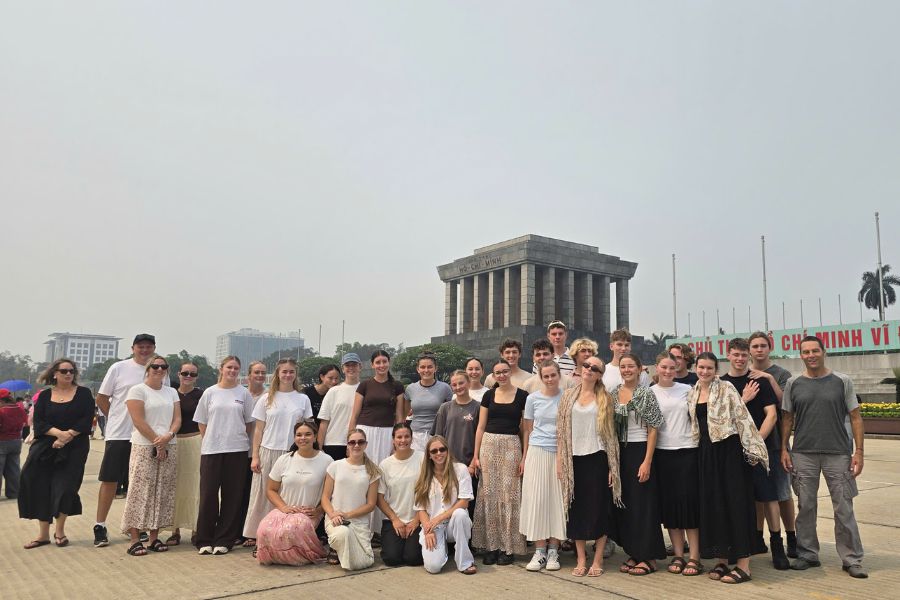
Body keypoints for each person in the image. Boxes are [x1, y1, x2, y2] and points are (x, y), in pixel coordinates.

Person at [781, 336, 867, 578]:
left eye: (815, 350)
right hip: (803, 454)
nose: (811, 355)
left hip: (838, 453)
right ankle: (808, 553)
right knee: (806, 505)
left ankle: (852, 559)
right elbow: (787, 418)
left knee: (844, 507)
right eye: (806, 352)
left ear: (824, 352)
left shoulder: (842, 381)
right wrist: (783, 448)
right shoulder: (793, 383)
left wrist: (858, 451)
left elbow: (856, 417)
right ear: (801, 355)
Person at [689, 352, 768, 584]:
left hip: (729, 452)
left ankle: (744, 565)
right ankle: (721, 558)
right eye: (701, 367)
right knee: (714, 505)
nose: (704, 372)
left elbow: (743, 419)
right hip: (706, 454)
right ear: (695, 368)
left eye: (709, 368)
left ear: (716, 369)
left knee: (735, 504)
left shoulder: (727, 388)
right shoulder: (693, 392)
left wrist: (753, 450)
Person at [720, 338, 789, 569]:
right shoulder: (722, 385)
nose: (740, 359)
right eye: (735, 354)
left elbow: (771, 414)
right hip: (732, 451)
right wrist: (744, 400)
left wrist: (755, 440)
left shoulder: (759, 380)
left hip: (760, 448)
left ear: (748, 357)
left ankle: (777, 546)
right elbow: (720, 419)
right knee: (737, 498)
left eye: (743, 355)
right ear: (728, 355)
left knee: (768, 497)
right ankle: (738, 544)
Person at [93, 333, 165, 548]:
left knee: (140, 483)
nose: (144, 350)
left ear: (154, 348)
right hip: (120, 434)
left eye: (148, 346)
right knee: (110, 480)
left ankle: (136, 526)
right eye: (140, 346)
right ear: (133, 348)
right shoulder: (119, 368)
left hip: (146, 438)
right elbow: (102, 398)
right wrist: (115, 417)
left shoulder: (160, 371)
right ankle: (100, 525)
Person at [556, 356, 622, 578]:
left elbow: (611, 435)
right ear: (580, 368)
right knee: (577, 511)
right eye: (586, 365)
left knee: (599, 509)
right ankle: (581, 558)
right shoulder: (568, 396)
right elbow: (561, 432)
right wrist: (560, 461)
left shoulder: (605, 398)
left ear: (600, 375)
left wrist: (613, 467)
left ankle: (597, 558)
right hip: (573, 459)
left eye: (595, 368)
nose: (589, 370)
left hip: (598, 459)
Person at [18, 360, 94, 549]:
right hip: (45, 447)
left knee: (65, 488)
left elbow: (86, 419)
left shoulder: (84, 394)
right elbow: (39, 422)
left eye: (71, 371)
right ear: (54, 374)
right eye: (64, 371)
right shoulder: (44, 396)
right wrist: (58, 434)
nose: (68, 374)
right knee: (39, 486)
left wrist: (68, 436)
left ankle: (60, 531)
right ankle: (43, 534)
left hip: (75, 447)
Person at [243, 358, 313, 548]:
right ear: (278, 374)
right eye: (284, 372)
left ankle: (284, 534)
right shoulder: (267, 398)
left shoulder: (302, 399)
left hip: (293, 453)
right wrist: (255, 456)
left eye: (291, 372)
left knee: (287, 496)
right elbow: (258, 430)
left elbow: (307, 427)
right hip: (268, 450)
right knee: (263, 493)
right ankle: (256, 533)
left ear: (295, 375)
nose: (288, 375)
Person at [609, 354, 666, 576]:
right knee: (626, 505)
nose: (626, 370)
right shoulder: (614, 393)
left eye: (630, 366)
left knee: (644, 506)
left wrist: (647, 461)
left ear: (640, 369)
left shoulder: (646, 394)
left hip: (640, 451)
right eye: (623, 366)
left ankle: (649, 557)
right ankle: (634, 551)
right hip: (620, 452)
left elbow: (654, 427)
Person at [194, 355, 255, 555]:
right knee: (209, 494)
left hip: (237, 449)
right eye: (229, 367)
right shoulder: (210, 393)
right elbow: (202, 422)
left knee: (232, 496)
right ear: (221, 369)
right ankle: (204, 538)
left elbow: (248, 423)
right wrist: (213, 438)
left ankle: (224, 539)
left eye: (236, 368)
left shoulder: (243, 394)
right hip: (212, 449)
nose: (232, 371)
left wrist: (233, 436)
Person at [121, 355, 181, 556]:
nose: (159, 369)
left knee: (163, 491)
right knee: (140, 491)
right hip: (144, 445)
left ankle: (155, 536)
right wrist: (158, 441)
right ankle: (135, 538)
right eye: (155, 366)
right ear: (148, 368)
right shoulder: (137, 390)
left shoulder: (171, 391)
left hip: (169, 443)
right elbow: (138, 421)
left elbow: (177, 419)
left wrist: (168, 436)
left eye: (163, 367)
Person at [472, 360, 528, 565]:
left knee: (509, 495)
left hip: (512, 445)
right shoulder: (488, 395)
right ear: (493, 376)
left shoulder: (523, 396)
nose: (502, 375)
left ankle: (508, 547)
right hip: (488, 445)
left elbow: (526, 429)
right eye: (498, 373)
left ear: (510, 372)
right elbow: (480, 427)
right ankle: (491, 546)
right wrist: (475, 455)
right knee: (489, 494)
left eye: (505, 371)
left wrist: (524, 456)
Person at [256, 420, 332, 566]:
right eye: (299, 435)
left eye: (308, 434)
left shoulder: (326, 461)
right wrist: (284, 508)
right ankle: (275, 555)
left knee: (291, 531)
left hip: (308, 512)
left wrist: (319, 510)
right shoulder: (284, 460)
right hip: (285, 509)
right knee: (263, 530)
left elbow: (332, 493)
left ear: (315, 436)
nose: (303, 438)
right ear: (294, 438)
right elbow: (271, 490)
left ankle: (295, 557)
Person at [651, 353, 701, 576]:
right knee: (671, 507)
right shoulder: (649, 393)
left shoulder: (687, 390)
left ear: (677, 368)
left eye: (672, 367)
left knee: (689, 505)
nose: (668, 371)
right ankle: (679, 555)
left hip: (687, 451)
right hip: (663, 453)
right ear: (657, 368)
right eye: (664, 367)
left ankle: (695, 557)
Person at [748, 331, 797, 558]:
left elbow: (785, 404)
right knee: (758, 494)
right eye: (755, 346)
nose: (759, 349)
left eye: (763, 346)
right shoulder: (744, 373)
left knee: (782, 493)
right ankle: (758, 536)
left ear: (770, 348)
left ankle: (791, 537)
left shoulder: (781, 373)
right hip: (750, 443)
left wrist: (768, 379)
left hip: (776, 442)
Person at [348, 350, 404, 534]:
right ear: (372, 365)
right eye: (378, 362)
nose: (381, 365)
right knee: (365, 477)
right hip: (366, 433)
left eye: (384, 361)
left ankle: (380, 529)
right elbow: (355, 414)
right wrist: (350, 440)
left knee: (383, 478)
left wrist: (398, 441)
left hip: (388, 433)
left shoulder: (396, 386)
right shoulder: (364, 385)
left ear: (389, 363)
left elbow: (400, 416)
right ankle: (362, 526)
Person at [520, 360, 566, 572]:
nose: (549, 379)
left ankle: (554, 550)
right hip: (537, 452)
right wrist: (525, 456)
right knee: (538, 500)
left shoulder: (567, 397)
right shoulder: (532, 399)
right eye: (545, 376)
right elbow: (528, 430)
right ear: (540, 377)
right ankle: (539, 552)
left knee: (556, 501)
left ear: (558, 375)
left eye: (552, 375)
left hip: (559, 454)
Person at [414, 435, 477, 574]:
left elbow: (464, 502)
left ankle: (465, 562)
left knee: (460, 514)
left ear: (447, 451)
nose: (439, 453)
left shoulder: (460, 469)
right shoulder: (424, 475)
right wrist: (427, 530)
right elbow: (421, 508)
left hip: (454, 523)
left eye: (442, 449)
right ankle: (443, 549)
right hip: (434, 527)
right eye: (434, 451)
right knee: (433, 567)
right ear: (429, 455)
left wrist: (438, 518)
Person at [321, 428, 381, 570]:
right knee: (343, 533)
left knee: (365, 561)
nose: (356, 445)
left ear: (366, 444)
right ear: (347, 445)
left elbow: (371, 504)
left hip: (358, 521)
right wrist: (333, 514)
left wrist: (347, 515)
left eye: (360, 442)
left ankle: (340, 550)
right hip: (335, 518)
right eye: (352, 442)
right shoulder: (335, 466)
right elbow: (325, 497)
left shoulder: (373, 471)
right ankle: (336, 546)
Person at [164, 362, 204, 546]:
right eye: (185, 373)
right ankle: (174, 530)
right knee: (174, 485)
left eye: (192, 374)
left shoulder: (202, 395)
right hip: (174, 442)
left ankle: (197, 528)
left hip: (195, 441)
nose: (188, 376)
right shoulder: (170, 394)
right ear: (178, 374)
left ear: (197, 376)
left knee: (196, 486)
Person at [432, 371, 480, 519]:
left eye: (461, 383)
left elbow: (481, 438)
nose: (458, 387)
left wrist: (473, 463)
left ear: (468, 383)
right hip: (447, 465)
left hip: (469, 466)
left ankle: (468, 541)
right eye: (454, 384)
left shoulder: (478, 408)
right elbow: (437, 439)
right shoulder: (445, 408)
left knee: (468, 505)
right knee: (447, 503)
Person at [377, 423, 424, 566]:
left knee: (413, 558)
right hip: (394, 519)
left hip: (417, 518)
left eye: (406, 436)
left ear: (411, 438)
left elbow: (428, 492)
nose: (403, 440)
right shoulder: (385, 464)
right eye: (399, 437)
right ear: (393, 440)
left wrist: (416, 520)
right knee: (391, 559)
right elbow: (379, 498)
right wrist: (395, 520)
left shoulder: (422, 458)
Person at [318, 354, 362, 461]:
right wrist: (319, 448)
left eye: (354, 365)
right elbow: (324, 422)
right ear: (343, 368)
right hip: (333, 443)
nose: (351, 368)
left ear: (360, 367)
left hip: (357, 443)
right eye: (347, 365)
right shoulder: (334, 391)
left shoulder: (365, 390)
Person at [404, 353, 452, 451]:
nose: (426, 370)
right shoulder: (410, 388)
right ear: (418, 369)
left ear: (435, 368)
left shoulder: (445, 388)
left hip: (437, 434)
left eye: (430, 367)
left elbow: (451, 411)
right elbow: (405, 413)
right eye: (422, 367)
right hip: (416, 436)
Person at [0, 388, 27, 499]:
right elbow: (25, 423)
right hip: (16, 441)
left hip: (2, 441)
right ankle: (14, 492)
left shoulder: (1, 411)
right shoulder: (20, 409)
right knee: (14, 469)